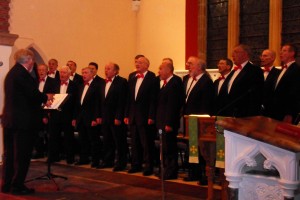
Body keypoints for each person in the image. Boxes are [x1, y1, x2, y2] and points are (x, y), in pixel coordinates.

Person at [1, 49, 53, 195]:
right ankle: (17, 186)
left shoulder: (13, 73)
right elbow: (32, 93)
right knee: (22, 155)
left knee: (10, 154)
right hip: (23, 122)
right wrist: (46, 97)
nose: (33, 63)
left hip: (11, 120)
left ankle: (7, 184)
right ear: (29, 60)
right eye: (33, 61)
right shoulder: (22, 74)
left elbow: (24, 96)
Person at [182, 56, 214, 184]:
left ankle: (205, 176)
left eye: (191, 64)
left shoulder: (206, 81)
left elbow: (207, 103)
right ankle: (193, 173)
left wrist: (201, 119)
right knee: (191, 148)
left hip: (201, 121)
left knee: (202, 149)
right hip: (189, 119)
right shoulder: (186, 79)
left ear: (199, 67)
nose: (187, 65)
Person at [124, 56, 158, 176]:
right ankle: (135, 165)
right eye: (136, 62)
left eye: (140, 62)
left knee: (147, 143)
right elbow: (129, 98)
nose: (137, 64)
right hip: (133, 115)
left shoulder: (152, 77)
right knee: (135, 143)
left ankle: (148, 166)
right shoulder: (132, 76)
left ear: (147, 65)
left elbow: (153, 99)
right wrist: (127, 114)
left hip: (145, 116)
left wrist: (151, 116)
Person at [156, 59, 184, 180]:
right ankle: (165, 169)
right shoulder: (165, 83)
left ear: (168, 70)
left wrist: (169, 123)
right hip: (162, 122)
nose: (159, 71)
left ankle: (171, 172)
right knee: (164, 147)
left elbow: (173, 106)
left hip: (168, 123)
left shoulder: (174, 83)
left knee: (170, 148)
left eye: (161, 69)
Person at [98, 62, 128, 171]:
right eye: (105, 68)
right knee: (107, 140)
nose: (106, 71)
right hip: (105, 117)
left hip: (116, 117)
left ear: (115, 71)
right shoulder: (103, 82)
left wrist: (119, 117)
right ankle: (108, 161)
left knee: (119, 141)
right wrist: (99, 116)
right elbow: (101, 101)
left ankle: (121, 163)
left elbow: (122, 101)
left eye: (109, 69)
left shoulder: (121, 82)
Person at [47, 66, 78, 164]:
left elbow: (76, 103)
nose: (62, 74)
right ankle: (53, 156)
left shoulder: (74, 85)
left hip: (68, 115)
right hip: (55, 114)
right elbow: (49, 97)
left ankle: (70, 157)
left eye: (64, 73)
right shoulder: (53, 83)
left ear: (69, 74)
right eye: (60, 72)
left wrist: (74, 117)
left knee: (69, 137)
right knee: (53, 136)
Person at [72, 67, 102, 168]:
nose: (83, 75)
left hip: (91, 118)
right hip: (81, 118)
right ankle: (83, 159)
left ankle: (95, 160)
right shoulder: (80, 86)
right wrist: (75, 118)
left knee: (94, 141)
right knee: (83, 140)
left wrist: (95, 118)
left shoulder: (97, 86)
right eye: (83, 72)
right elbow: (77, 104)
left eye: (86, 73)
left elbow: (98, 104)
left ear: (92, 74)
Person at [226, 44, 264, 117]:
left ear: (245, 54)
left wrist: (251, 116)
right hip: (230, 114)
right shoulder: (233, 72)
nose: (232, 55)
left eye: (236, 52)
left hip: (245, 115)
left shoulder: (254, 70)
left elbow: (256, 95)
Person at [267, 44, 300, 124]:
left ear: (292, 53)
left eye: (284, 51)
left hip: (285, 113)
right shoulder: (282, 69)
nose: (280, 53)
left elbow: (295, 93)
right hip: (275, 111)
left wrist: (289, 114)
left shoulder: (296, 70)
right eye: (281, 51)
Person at [32, 64, 57, 159]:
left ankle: (50, 152)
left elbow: (52, 97)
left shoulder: (52, 81)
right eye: (39, 70)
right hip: (35, 111)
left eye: (43, 70)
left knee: (48, 133)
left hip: (47, 111)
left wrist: (46, 114)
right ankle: (39, 151)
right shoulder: (34, 81)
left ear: (47, 71)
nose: (41, 72)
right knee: (36, 132)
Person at [260, 49, 281, 118]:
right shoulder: (257, 72)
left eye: (265, 56)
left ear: (273, 58)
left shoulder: (279, 73)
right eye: (262, 56)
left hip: (271, 110)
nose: (262, 58)